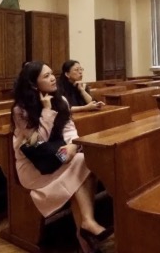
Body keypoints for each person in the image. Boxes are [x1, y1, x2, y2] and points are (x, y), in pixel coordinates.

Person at [12, 61, 111, 253]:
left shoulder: (61, 100)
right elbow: (37, 141)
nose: (52, 79)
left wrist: (73, 145)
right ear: (33, 84)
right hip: (35, 166)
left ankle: (86, 230)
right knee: (83, 166)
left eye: (52, 74)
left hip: (60, 155)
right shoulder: (20, 110)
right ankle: (86, 228)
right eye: (46, 76)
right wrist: (47, 111)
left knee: (84, 163)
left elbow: (69, 129)